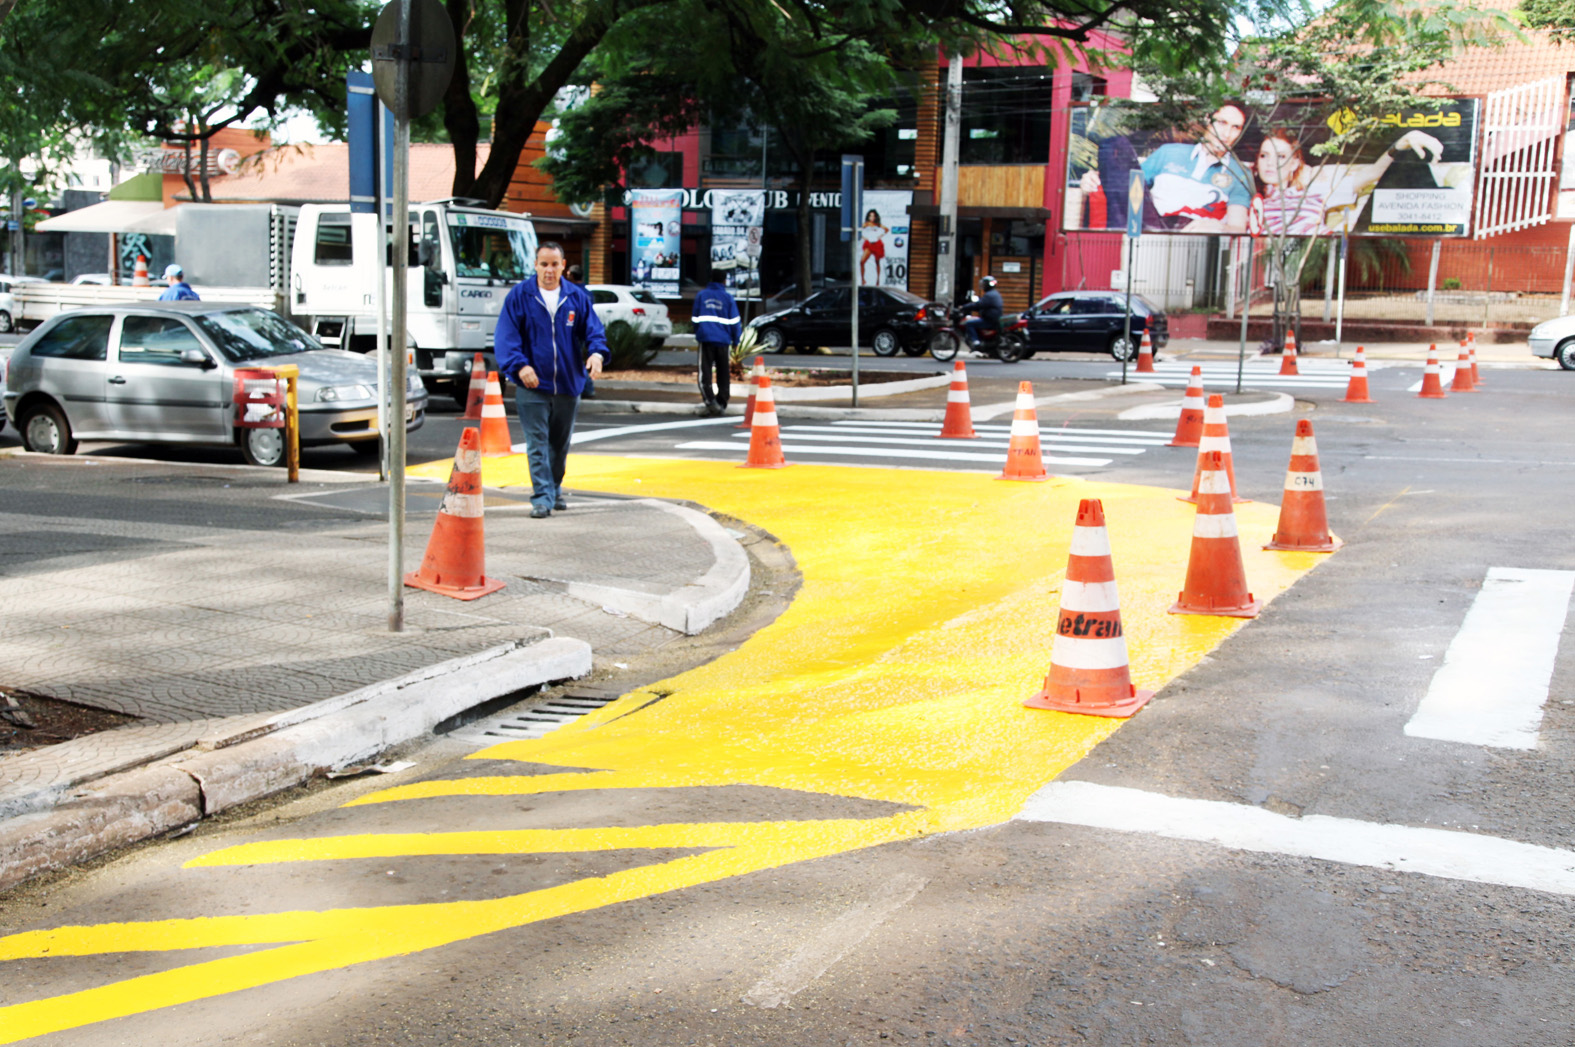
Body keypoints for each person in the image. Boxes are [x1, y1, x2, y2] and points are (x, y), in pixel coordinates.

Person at [494, 242, 608, 518]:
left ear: (563, 266)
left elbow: (594, 331)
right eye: (543, 264)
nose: (549, 270)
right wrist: (519, 367)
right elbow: (506, 337)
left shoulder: (576, 297)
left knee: (559, 444)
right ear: (535, 265)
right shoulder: (520, 296)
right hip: (532, 386)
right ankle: (542, 497)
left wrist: (596, 354)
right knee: (537, 443)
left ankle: (554, 487)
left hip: (568, 384)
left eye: (554, 264)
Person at [1080, 101, 1254, 233]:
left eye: (1235, 127)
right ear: (1208, 121)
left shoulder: (1240, 173)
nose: (1226, 134)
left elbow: (1237, 227)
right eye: (1222, 123)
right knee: (1115, 146)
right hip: (1150, 225)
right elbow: (1129, 186)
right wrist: (1095, 179)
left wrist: (1217, 226)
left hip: (1191, 238)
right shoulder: (1169, 152)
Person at [1249, 128, 1448, 236]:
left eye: (1281, 157)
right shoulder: (1247, 197)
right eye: (1264, 156)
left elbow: (1371, 174)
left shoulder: (1314, 190)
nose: (1270, 164)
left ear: (1294, 163)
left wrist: (1398, 145)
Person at [691, 270, 740, 416]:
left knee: (705, 373)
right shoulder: (727, 298)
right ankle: (721, 402)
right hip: (723, 341)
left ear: (711, 279)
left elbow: (695, 319)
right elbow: (735, 322)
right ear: (724, 281)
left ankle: (711, 402)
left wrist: (699, 332)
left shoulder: (701, 296)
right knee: (723, 373)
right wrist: (736, 340)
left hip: (706, 339)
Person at [563, 263, 595, 399]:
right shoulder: (587, 293)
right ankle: (584, 387)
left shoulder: (571, 292)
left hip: (572, 330)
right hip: (583, 329)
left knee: (572, 360)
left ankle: (586, 387)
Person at [959, 275, 1003, 351]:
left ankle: (976, 342)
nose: (983, 286)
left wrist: (964, 307)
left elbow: (979, 304)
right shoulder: (994, 293)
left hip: (990, 320)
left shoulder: (989, 295)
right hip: (992, 318)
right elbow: (982, 306)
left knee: (969, 324)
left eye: (984, 284)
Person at [858, 209, 888, 286]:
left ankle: (878, 280)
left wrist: (880, 236)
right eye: (870, 216)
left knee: (877, 262)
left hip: (876, 244)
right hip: (869, 244)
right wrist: (863, 237)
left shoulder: (877, 225)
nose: (872, 217)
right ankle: (862, 279)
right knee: (862, 262)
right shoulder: (865, 224)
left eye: (873, 216)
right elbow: (858, 229)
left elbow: (886, 229)